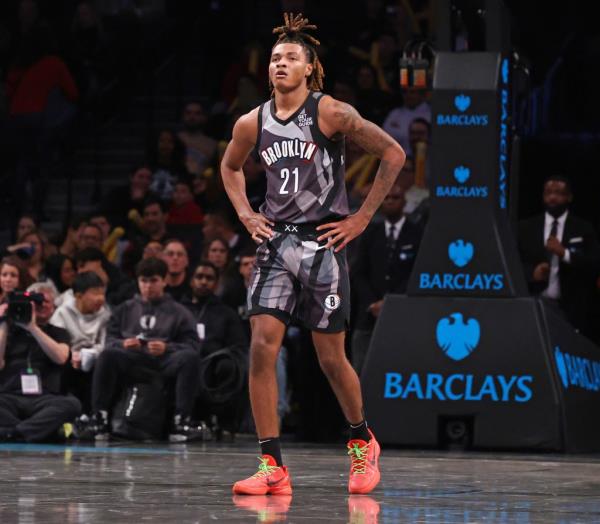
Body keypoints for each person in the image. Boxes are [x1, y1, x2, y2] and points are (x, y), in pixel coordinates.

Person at [220, 13, 405, 496]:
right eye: (276, 57)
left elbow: (393, 154)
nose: (281, 63)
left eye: (291, 58)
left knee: (330, 359)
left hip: (323, 244)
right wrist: (244, 213)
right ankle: (271, 464)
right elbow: (230, 167)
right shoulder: (251, 121)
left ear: (310, 68)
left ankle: (362, 441)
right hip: (276, 242)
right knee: (261, 347)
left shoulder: (332, 113)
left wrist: (362, 219)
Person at [76, 257, 203, 442]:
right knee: (108, 354)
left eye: (153, 281)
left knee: (189, 358)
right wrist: (123, 344)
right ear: (137, 282)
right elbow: (109, 340)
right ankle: (99, 417)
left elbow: (193, 344)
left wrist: (167, 347)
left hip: (163, 362)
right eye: (143, 281)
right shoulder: (124, 309)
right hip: (132, 361)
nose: (148, 286)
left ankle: (181, 421)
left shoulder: (180, 312)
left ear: (164, 281)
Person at [351, 185, 422, 374]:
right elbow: (358, 272)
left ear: (404, 202)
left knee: (399, 371)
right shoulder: (369, 233)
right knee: (361, 371)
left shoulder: (417, 234)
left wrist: (390, 303)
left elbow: (417, 273)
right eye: (386, 197)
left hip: (402, 314)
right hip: (368, 315)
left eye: (395, 197)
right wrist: (373, 303)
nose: (390, 201)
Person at [518, 175, 600, 335]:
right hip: (533, 304)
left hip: (572, 310)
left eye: (559, 193)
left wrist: (564, 254)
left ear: (569, 197)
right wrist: (532, 273)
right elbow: (512, 262)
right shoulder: (525, 227)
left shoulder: (583, 228)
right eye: (548, 192)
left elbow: (594, 263)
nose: (552, 197)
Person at [0, 283, 81, 442]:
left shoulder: (58, 332)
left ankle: (13, 433)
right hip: (9, 396)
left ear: (53, 307)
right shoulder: (8, 332)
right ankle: (38, 431)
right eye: (36, 301)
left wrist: (33, 328)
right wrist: (3, 322)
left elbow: (61, 357)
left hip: (44, 398)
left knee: (72, 405)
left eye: (46, 302)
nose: (41, 305)